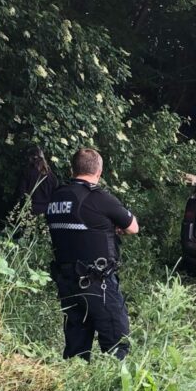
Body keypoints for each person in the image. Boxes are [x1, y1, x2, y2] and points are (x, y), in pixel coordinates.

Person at [45, 148, 139, 360]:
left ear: (72, 169)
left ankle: (75, 384)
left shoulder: (56, 198)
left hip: (67, 281)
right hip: (96, 281)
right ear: (99, 171)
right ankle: (114, 388)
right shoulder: (99, 198)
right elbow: (132, 227)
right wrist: (112, 226)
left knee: (76, 341)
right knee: (117, 337)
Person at [15, 146, 59, 215]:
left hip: (30, 211)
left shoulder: (26, 173)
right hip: (47, 212)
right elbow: (56, 196)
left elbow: (21, 192)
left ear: (30, 158)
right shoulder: (52, 176)